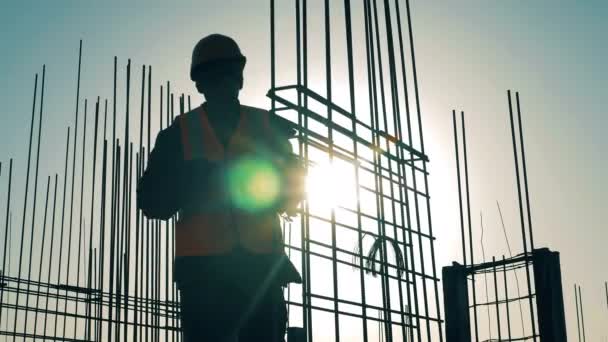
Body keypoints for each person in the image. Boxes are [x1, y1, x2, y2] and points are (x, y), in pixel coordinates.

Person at [137, 33, 304, 342]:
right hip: (208, 281)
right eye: (215, 75)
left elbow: (292, 194)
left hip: (257, 274)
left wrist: (288, 177)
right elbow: (151, 202)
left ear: (237, 77)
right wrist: (193, 179)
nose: (223, 81)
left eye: (226, 73)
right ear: (201, 82)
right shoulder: (179, 135)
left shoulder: (266, 127)